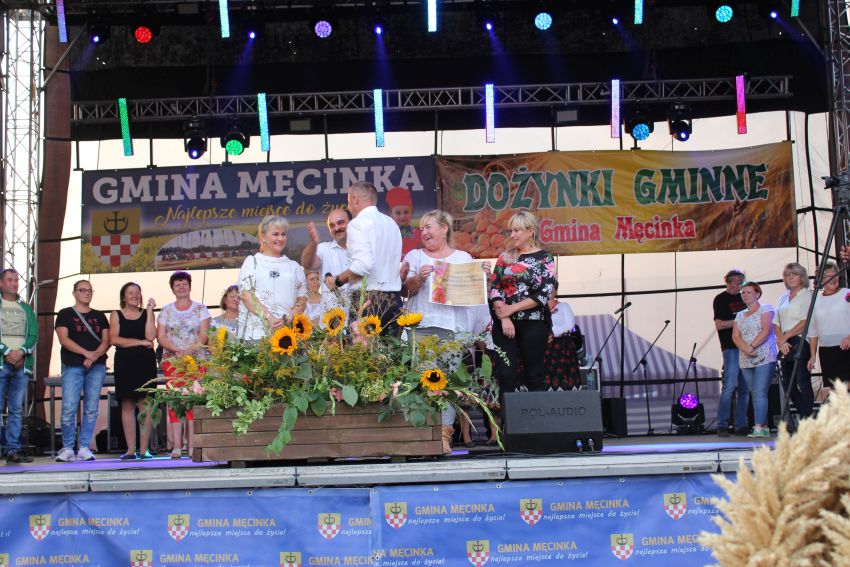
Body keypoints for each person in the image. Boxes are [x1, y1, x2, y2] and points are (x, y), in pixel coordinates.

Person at [401, 209, 486, 453]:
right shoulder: (415, 255)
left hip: (452, 329)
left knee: (448, 383)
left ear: (444, 229)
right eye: (422, 229)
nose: (424, 232)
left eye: (428, 227)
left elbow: (474, 293)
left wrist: (483, 278)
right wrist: (418, 279)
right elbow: (405, 291)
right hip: (421, 328)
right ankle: (425, 435)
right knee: (425, 382)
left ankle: (444, 435)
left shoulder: (463, 257)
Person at [489, 211, 557, 403]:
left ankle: (537, 420)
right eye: (511, 231)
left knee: (534, 375)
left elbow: (544, 294)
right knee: (506, 375)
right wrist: (504, 317)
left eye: (517, 230)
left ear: (530, 231)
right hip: (504, 324)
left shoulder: (545, 258)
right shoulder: (505, 257)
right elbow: (495, 288)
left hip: (534, 324)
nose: (512, 235)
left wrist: (512, 309)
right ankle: (506, 421)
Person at [331, 182, 403, 335]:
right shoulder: (391, 223)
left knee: (361, 350)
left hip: (369, 301)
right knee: (392, 349)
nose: (349, 206)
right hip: (394, 301)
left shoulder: (357, 224)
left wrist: (337, 280)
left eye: (348, 202)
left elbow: (362, 265)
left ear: (355, 199)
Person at [55, 280, 110, 462]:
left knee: (91, 408)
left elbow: (106, 341)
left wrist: (93, 357)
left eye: (89, 290)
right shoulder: (65, 314)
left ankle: (85, 447)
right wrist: (87, 354)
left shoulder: (100, 316)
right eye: (82, 290)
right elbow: (64, 339)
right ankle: (68, 447)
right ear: (74, 293)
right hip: (72, 365)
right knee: (69, 407)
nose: (87, 293)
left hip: (97, 366)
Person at [157, 271, 210, 459]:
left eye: (184, 283)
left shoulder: (201, 309)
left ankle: (194, 446)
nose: (181, 287)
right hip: (172, 361)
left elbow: (204, 334)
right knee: (175, 401)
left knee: (194, 400)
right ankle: (177, 447)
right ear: (172, 288)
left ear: (190, 286)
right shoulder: (166, 310)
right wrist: (176, 350)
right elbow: (161, 336)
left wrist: (189, 351)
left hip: (196, 360)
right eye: (177, 284)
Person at [237, 215, 307, 342]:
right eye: (276, 234)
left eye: (283, 234)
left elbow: (302, 299)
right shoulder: (252, 262)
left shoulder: (294, 266)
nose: (281, 238)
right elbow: (245, 295)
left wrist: (288, 319)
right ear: (263, 237)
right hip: (256, 337)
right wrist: (269, 317)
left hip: (287, 336)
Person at [109, 282, 157, 460]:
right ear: (124, 296)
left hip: (145, 363)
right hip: (125, 362)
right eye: (131, 293)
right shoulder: (116, 314)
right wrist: (140, 342)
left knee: (146, 405)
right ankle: (131, 450)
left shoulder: (146, 313)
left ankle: (144, 449)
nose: (135, 296)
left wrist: (150, 311)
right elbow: (114, 339)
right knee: (127, 405)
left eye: (137, 293)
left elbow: (151, 336)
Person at [732, 281, 777, 438]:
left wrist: (752, 346)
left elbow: (766, 330)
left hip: (764, 355)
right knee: (754, 392)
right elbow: (735, 336)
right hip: (746, 358)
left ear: (757, 294)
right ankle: (763, 426)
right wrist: (745, 349)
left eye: (749, 292)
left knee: (759, 391)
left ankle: (758, 426)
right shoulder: (739, 315)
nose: (745, 295)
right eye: (743, 292)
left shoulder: (766, 308)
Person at [0, 269, 36, 464]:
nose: (14, 283)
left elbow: (33, 335)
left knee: (15, 409)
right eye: (9, 280)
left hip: (21, 365)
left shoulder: (26, 308)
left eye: (16, 280)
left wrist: (20, 352)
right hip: (2, 363)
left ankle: (12, 450)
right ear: (1, 283)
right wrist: (8, 353)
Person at [775, 262, 815, 420]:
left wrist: (786, 336)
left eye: (794, 274)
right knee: (788, 385)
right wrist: (781, 340)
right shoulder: (782, 298)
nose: (790, 277)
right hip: (785, 343)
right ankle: (807, 415)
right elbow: (776, 323)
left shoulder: (807, 295)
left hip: (800, 340)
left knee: (802, 381)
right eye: (787, 274)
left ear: (802, 277)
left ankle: (807, 419)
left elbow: (805, 321)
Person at [713, 268, 750, 436]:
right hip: (731, 347)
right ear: (727, 282)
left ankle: (741, 424)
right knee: (729, 386)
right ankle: (722, 424)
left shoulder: (745, 297)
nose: (738, 286)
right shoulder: (720, 299)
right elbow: (720, 324)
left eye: (740, 283)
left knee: (745, 388)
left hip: (747, 347)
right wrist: (739, 320)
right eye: (734, 283)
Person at [807, 261, 850, 392]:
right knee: (836, 392)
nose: (834, 278)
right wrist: (813, 355)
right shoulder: (815, 300)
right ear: (821, 279)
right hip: (827, 351)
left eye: (836, 275)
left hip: (847, 348)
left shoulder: (847, 294)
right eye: (830, 276)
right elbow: (813, 331)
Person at [301, 208, 351, 297]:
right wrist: (313, 244)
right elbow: (308, 264)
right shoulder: (323, 249)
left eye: (340, 223)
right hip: (332, 307)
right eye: (332, 226)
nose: (337, 228)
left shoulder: (363, 249)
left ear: (352, 223)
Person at [543, 283, 581, 391]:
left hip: (563, 347)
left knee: (564, 377)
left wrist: (551, 334)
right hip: (543, 346)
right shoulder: (537, 308)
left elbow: (570, 325)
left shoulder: (564, 306)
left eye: (551, 289)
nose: (548, 291)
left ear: (555, 290)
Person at [386, 186, 422, 258]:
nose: (402, 216)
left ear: (411, 212)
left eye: (406, 212)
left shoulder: (419, 233)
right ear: (391, 214)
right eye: (398, 213)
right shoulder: (386, 234)